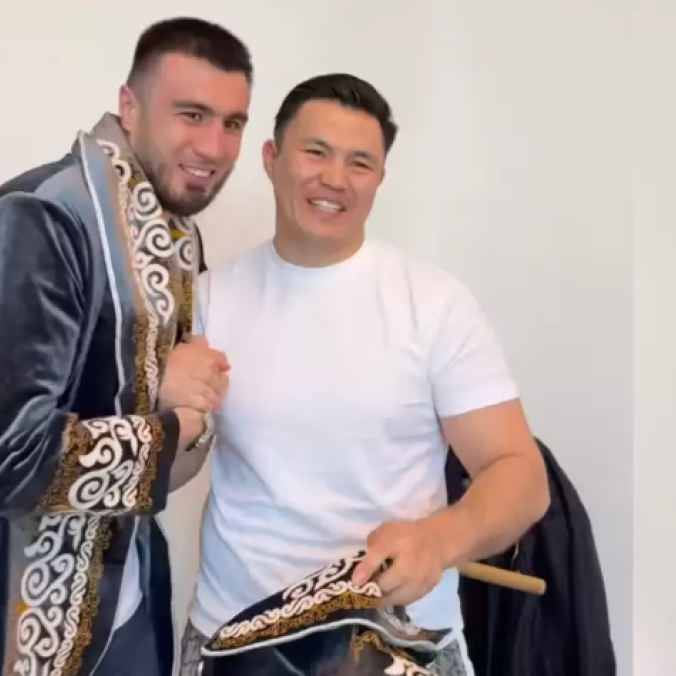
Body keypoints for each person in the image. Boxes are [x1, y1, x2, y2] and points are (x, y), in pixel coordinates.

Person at [178, 74, 552, 676]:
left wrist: (439, 540)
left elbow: (521, 476)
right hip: (237, 640)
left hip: (399, 642)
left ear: (379, 178)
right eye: (316, 152)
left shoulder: (433, 304)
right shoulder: (208, 298)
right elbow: (173, 473)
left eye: (360, 163)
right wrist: (172, 412)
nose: (335, 179)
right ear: (272, 159)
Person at [0, 17, 253, 676]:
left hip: (130, 600)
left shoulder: (174, 234)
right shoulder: (40, 216)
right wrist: (167, 410)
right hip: (21, 614)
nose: (213, 146)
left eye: (232, 123)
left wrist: (188, 413)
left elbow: (178, 434)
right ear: (129, 106)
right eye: (191, 114)